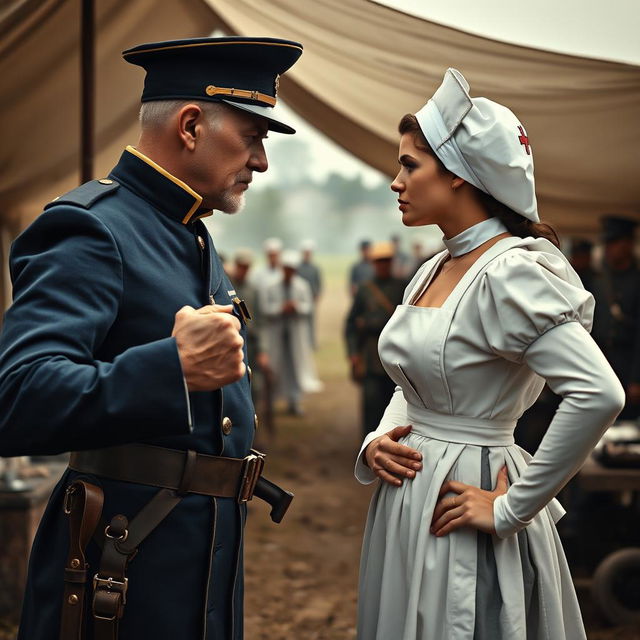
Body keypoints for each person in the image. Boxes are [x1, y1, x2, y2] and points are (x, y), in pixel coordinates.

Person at [0, 36, 302, 640]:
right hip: (119, 575)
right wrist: (171, 367)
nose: (262, 161)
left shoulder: (190, 230)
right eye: (252, 136)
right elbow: (17, 398)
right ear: (191, 126)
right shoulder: (91, 229)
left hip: (197, 563)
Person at [355, 68, 624, 640]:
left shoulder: (510, 272)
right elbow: (414, 382)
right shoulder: (434, 267)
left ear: (458, 174)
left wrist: (510, 509)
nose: (395, 180)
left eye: (410, 164)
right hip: (410, 495)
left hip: (466, 494)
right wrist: (381, 438)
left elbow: (599, 393)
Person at [345, 242, 406, 439]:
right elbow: (351, 324)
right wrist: (353, 353)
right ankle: (369, 447)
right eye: (379, 261)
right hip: (371, 359)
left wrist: (372, 322)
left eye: (386, 261)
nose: (383, 265)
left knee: (396, 407)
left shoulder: (403, 287)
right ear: (373, 263)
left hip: (397, 358)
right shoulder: (365, 290)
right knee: (371, 407)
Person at [592, 215, 640, 419]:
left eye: (614, 243)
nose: (609, 249)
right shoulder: (599, 280)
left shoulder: (637, 279)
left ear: (628, 244)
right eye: (607, 243)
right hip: (602, 360)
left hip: (628, 362)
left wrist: (636, 379)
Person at [262, 249, 322, 415]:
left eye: (291, 269)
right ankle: (271, 402)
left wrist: (296, 307)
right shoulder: (271, 286)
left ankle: (294, 401)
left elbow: (308, 307)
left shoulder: (302, 285)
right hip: (278, 333)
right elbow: (265, 309)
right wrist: (280, 308)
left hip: (295, 333)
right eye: (286, 269)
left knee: (296, 366)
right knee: (275, 366)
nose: (289, 272)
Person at [232, 248, 273, 440]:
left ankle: (252, 435)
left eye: (247, 267)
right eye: (241, 266)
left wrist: (263, 351)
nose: (243, 270)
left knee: (254, 389)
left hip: (252, 344)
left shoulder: (254, 290)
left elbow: (262, 322)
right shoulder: (226, 285)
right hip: (231, 342)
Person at [297, 239, 323, 348]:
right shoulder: (298, 267)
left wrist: (317, 295)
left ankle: (312, 343)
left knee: (311, 322)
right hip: (300, 300)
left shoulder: (315, 268)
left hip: (311, 299)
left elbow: (319, 283)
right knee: (301, 322)